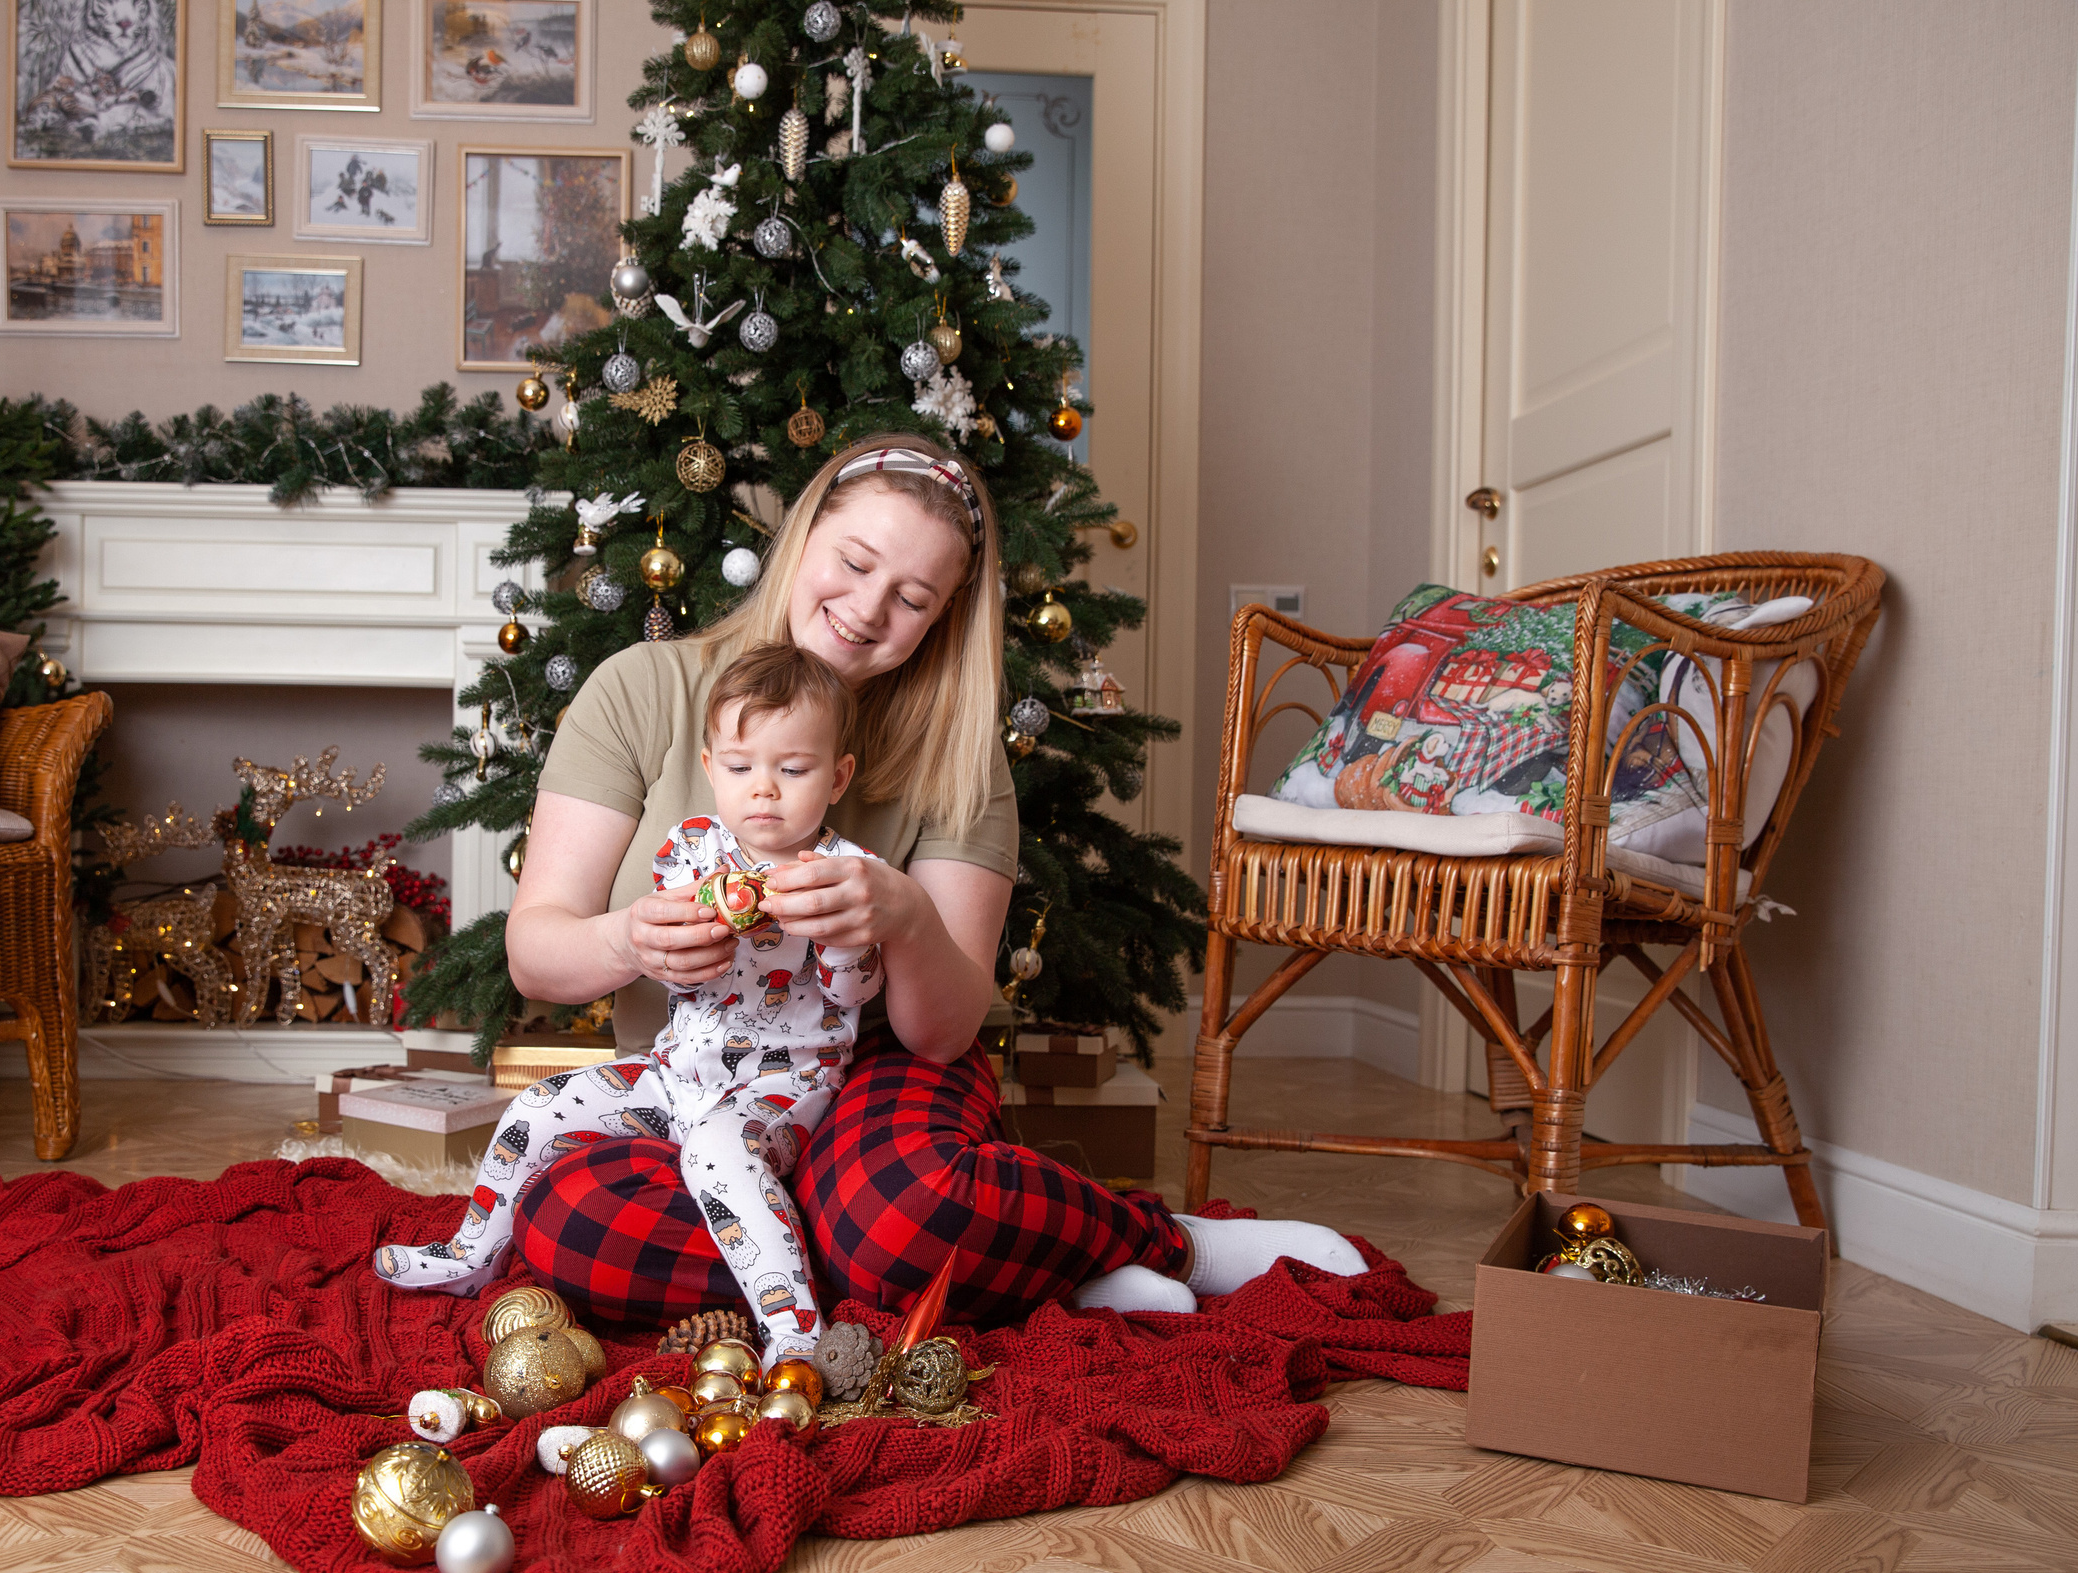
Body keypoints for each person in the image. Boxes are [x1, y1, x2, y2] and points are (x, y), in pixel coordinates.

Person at [497, 433, 1365, 1331]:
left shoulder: (958, 755)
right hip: (694, 1079)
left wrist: (906, 920)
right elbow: (536, 953)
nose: (866, 610)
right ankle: (986, 1258)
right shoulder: (642, 690)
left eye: (911, 598)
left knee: (895, 1209)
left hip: (876, 1077)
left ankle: (1168, 1240)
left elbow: (943, 1032)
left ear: (943, 617)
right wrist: (627, 936)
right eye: (854, 562)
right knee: (569, 1222)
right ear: (803, 539)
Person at [375, 643, 882, 1364]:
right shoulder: (695, 848)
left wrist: (837, 937)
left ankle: (796, 1331)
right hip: (676, 1073)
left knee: (716, 1152)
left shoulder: (844, 873)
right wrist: (678, 942)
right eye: (741, 768)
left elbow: (853, 992)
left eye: (792, 770)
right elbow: (673, 979)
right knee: (537, 1107)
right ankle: (471, 1254)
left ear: (837, 778)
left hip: (780, 1087)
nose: (763, 790)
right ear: (711, 769)